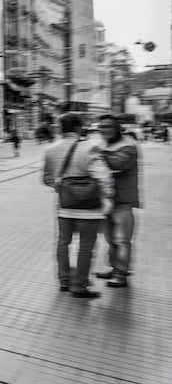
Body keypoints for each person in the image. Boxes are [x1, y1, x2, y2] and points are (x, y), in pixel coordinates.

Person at [42, 113, 114, 298]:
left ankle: (64, 280)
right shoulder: (91, 147)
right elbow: (103, 176)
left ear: (61, 128)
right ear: (78, 128)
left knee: (63, 242)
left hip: (64, 206)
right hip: (89, 208)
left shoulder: (50, 149)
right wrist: (108, 196)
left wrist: (62, 186)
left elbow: (47, 179)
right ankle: (80, 285)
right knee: (86, 246)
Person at [95, 114, 140, 288]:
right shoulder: (104, 145)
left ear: (117, 128)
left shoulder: (129, 145)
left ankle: (121, 273)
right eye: (101, 127)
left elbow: (118, 164)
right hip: (107, 200)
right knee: (111, 238)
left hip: (123, 201)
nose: (103, 130)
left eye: (107, 127)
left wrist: (98, 153)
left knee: (122, 239)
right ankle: (115, 268)